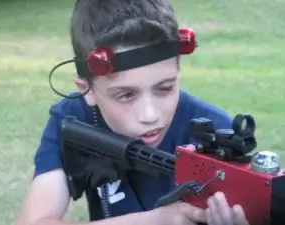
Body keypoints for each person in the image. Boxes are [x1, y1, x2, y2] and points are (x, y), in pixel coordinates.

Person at [15, 0, 250, 225]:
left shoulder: (218, 136)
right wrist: (155, 221)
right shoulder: (74, 118)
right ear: (86, 89)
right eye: (126, 95)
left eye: (165, 88)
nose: (149, 115)